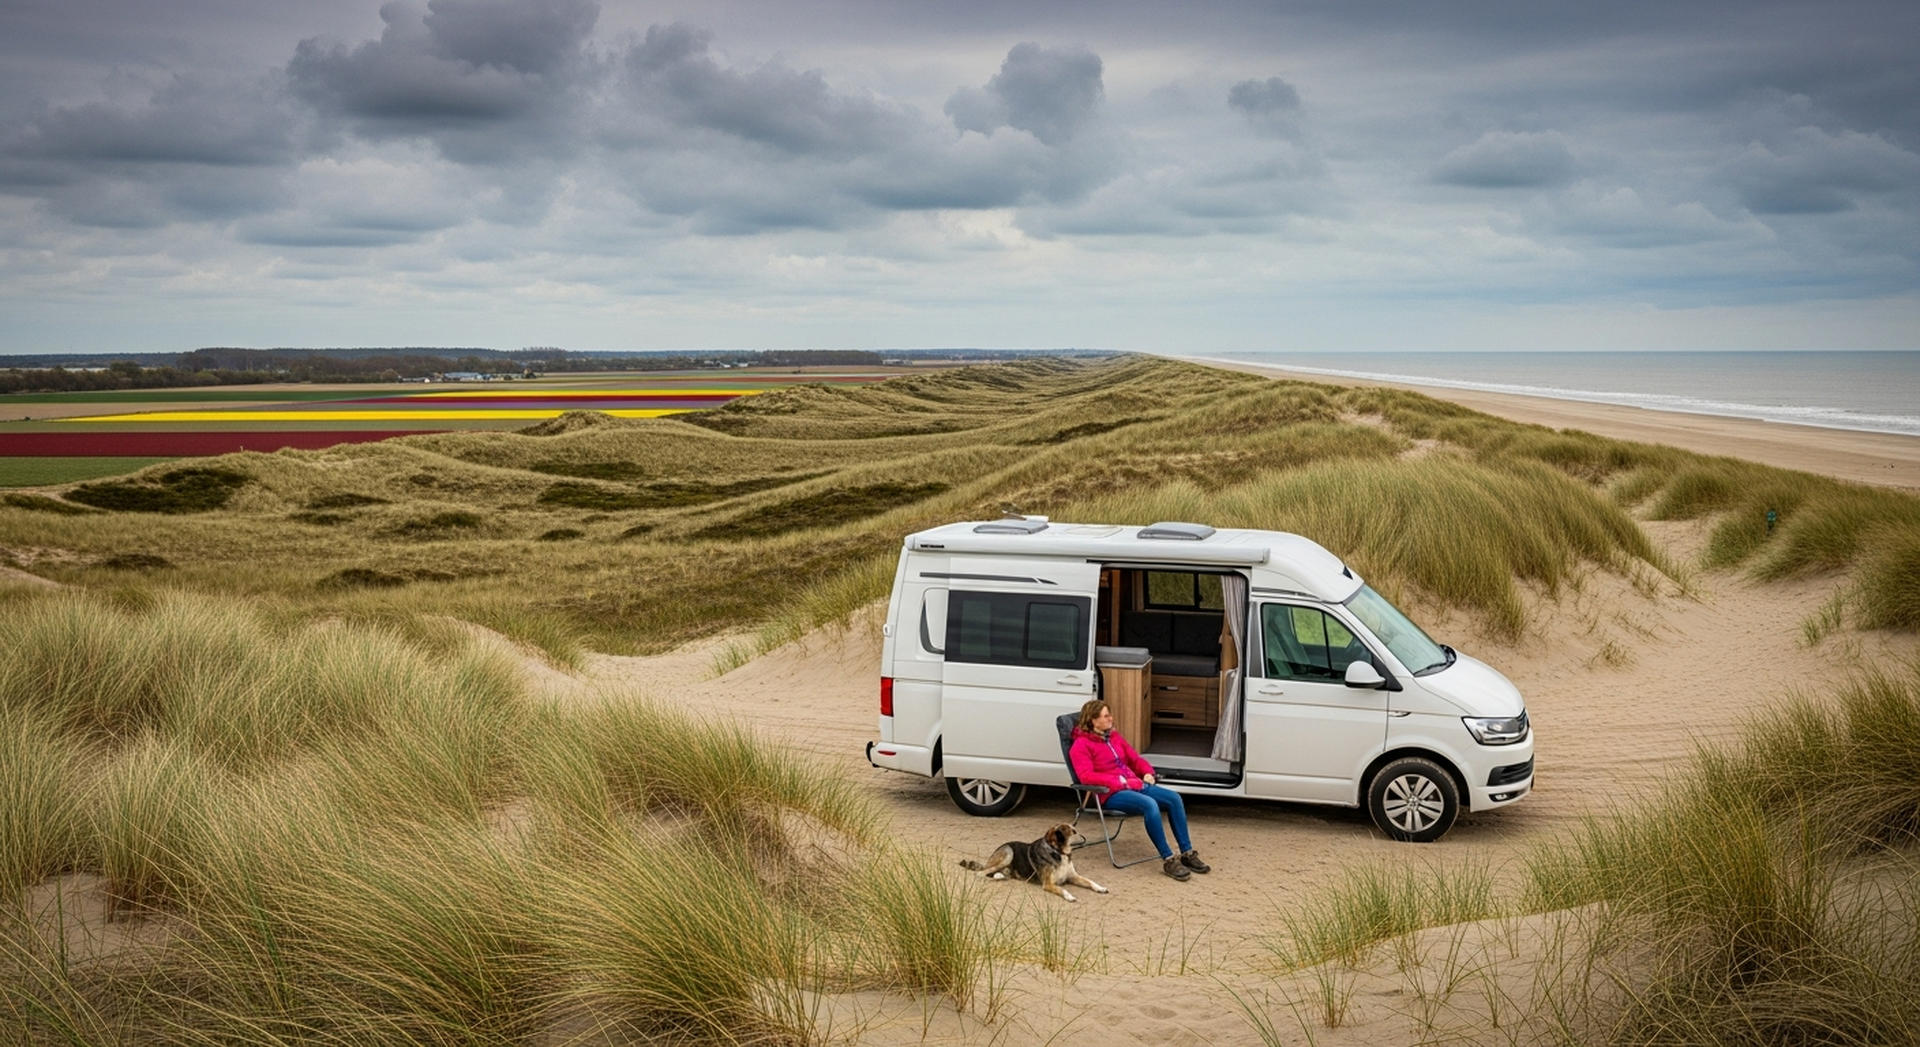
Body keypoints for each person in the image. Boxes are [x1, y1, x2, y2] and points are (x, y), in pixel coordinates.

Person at [1068, 698, 1211, 881]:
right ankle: (1168, 859)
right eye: (1105, 716)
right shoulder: (1080, 745)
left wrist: (1147, 772)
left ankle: (1187, 853)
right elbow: (1086, 776)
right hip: (1109, 793)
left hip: (1134, 784)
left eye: (1109, 714)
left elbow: (1134, 758)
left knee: (1174, 798)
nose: (1111, 718)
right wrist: (1119, 781)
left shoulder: (1113, 737)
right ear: (1093, 720)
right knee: (1150, 805)